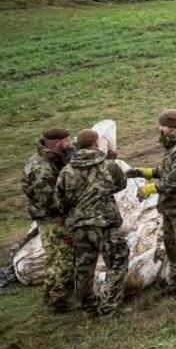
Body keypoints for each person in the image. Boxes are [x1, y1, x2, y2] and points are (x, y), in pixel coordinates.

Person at [129, 109, 176, 294]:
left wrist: (150, 188)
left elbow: (175, 179)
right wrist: (144, 172)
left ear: (170, 127)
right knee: (172, 247)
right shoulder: (175, 145)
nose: (159, 130)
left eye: (161, 127)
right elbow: (167, 170)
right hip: (170, 207)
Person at [54, 128, 129, 316]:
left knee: (84, 266)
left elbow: (59, 200)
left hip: (79, 226)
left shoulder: (66, 171)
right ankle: (109, 305)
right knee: (117, 262)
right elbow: (121, 184)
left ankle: (88, 306)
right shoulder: (108, 165)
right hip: (106, 224)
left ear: (78, 145)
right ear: (96, 143)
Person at [22, 127, 75, 313]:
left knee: (54, 258)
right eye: (67, 141)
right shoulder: (42, 169)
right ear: (56, 143)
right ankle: (59, 301)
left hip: (52, 218)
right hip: (53, 220)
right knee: (64, 258)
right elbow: (48, 202)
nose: (70, 145)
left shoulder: (48, 160)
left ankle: (50, 294)